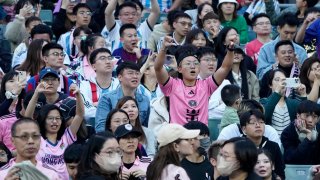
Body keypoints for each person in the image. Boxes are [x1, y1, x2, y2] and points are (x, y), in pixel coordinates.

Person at [154, 35, 234, 125]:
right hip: (179, 135)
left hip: (201, 135)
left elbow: (225, 68)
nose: (192, 66)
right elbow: (158, 68)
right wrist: (163, 48)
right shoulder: (172, 85)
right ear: (179, 69)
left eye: (196, 63)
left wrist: (230, 50)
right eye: (188, 64)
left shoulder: (207, 85)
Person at [25, 83, 83, 179]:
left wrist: (78, 95)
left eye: (58, 118)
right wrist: (36, 93)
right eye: (50, 118)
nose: (55, 122)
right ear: (43, 120)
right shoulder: (37, 139)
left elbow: (79, 115)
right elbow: (27, 118)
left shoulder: (66, 137)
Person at [95, 61, 150, 132]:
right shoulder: (107, 98)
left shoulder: (144, 100)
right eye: (130, 73)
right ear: (120, 77)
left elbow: (145, 127)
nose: (135, 76)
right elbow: (101, 128)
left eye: (137, 73)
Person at [257, 12, 307, 80]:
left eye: (293, 33)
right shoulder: (266, 49)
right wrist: (276, 65)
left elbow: (307, 77)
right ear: (278, 29)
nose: (289, 37)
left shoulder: (301, 51)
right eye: (286, 32)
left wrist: (299, 66)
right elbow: (260, 76)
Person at [217, 99, 282, 148]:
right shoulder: (229, 131)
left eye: (260, 119)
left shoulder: (270, 131)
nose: (257, 124)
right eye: (252, 121)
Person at [240, 110, 285, 179]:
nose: (258, 125)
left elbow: (280, 172)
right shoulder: (238, 147)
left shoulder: (273, 146)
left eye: (261, 122)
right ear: (244, 129)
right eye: (253, 123)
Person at [80, 48, 120, 121]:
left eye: (110, 58)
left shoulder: (120, 84)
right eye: (102, 58)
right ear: (94, 66)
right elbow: (85, 112)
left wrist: (97, 105)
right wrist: (112, 109)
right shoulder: (84, 85)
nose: (108, 62)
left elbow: (125, 109)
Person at [260, 69, 302, 136]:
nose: (281, 83)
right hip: (272, 142)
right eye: (277, 80)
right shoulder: (263, 102)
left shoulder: (293, 103)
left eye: (283, 80)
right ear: (270, 85)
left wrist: (303, 95)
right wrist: (277, 93)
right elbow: (265, 117)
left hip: (288, 143)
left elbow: (305, 113)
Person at [281, 100, 320, 165]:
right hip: (294, 169)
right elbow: (292, 158)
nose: (310, 120)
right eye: (306, 115)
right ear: (298, 116)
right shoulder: (287, 133)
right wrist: (307, 139)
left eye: (314, 116)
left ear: (318, 118)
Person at [0, 70, 26, 151]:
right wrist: (13, 95)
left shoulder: (25, 103)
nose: (16, 84)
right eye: (11, 81)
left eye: (18, 81)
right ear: (3, 85)